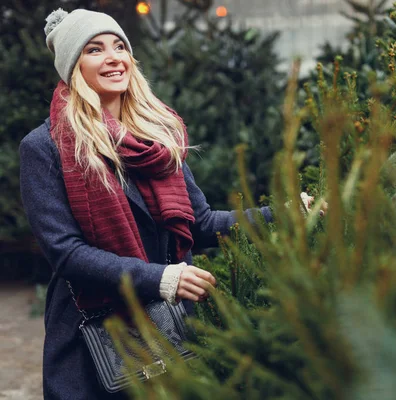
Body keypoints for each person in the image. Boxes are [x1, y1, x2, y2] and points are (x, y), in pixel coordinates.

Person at [20, 8, 317, 399]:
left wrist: (283, 214)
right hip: (95, 337)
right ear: (73, 67)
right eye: (95, 49)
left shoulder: (154, 140)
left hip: (168, 328)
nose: (114, 57)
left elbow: (201, 224)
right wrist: (161, 278)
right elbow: (66, 252)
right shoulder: (45, 147)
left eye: (120, 46)